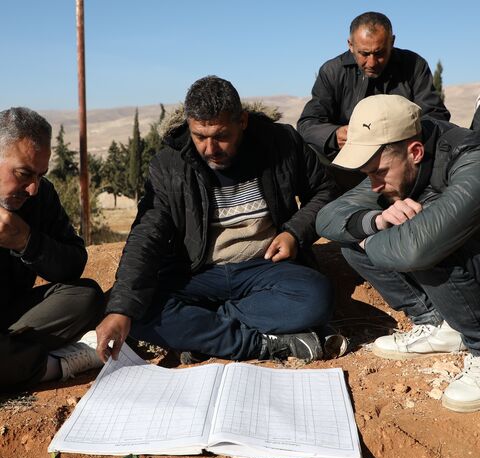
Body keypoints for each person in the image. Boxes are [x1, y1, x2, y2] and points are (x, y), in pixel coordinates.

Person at [96, 75, 343, 365]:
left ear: (243, 122)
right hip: (195, 272)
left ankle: (203, 330)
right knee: (131, 312)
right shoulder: (169, 164)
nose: (210, 149)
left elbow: (325, 190)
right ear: (189, 125)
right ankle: (264, 344)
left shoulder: (282, 143)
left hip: (265, 267)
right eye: (200, 136)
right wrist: (122, 309)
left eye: (221, 136)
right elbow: (146, 234)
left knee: (316, 298)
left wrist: (294, 233)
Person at [315, 94, 480, 413]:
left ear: (415, 152)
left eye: (377, 172)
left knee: (427, 243)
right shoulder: (397, 156)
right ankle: (437, 324)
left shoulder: (470, 159)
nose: (374, 185)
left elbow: (415, 250)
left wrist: (373, 239)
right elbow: (329, 217)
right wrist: (374, 220)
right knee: (359, 230)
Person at [0, 107, 104, 394]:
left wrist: (26, 241)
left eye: (40, 175)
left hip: (14, 317)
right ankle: (55, 366)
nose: (32, 188)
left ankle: (13, 359)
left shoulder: (39, 195)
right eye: (23, 174)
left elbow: (73, 264)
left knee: (86, 296)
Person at [297, 11, 450, 191]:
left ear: (392, 42)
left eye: (379, 53)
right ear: (350, 45)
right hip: (349, 166)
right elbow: (308, 124)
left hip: (401, 164)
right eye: (364, 53)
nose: (371, 62)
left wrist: (399, 136)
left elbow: (436, 117)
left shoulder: (414, 65)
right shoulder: (332, 71)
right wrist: (334, 135)